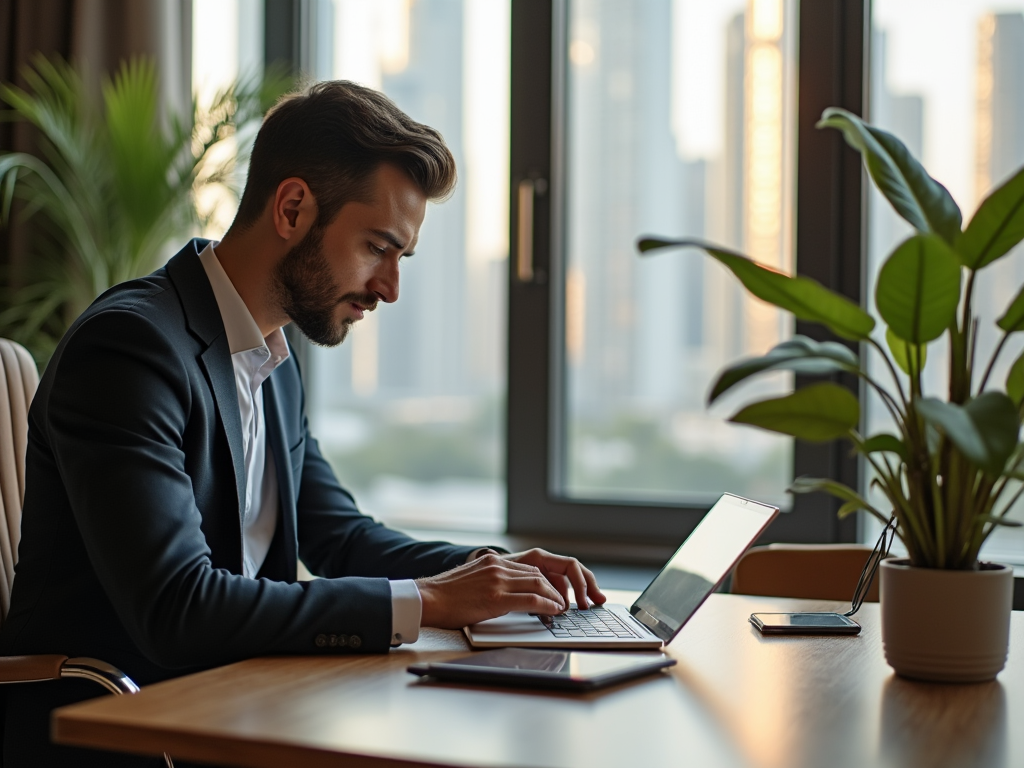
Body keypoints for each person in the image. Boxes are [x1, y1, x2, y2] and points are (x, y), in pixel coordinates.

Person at [0, 80, 605, 767]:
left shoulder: (273, 361)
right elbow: (178, 608)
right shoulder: (131, 350)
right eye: (379, 247)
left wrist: (490, 573)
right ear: (292, 208)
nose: (390, 287)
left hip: (239, 705)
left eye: (401, 257)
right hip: (121, 731)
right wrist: (431, 601)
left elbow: (339, 537)